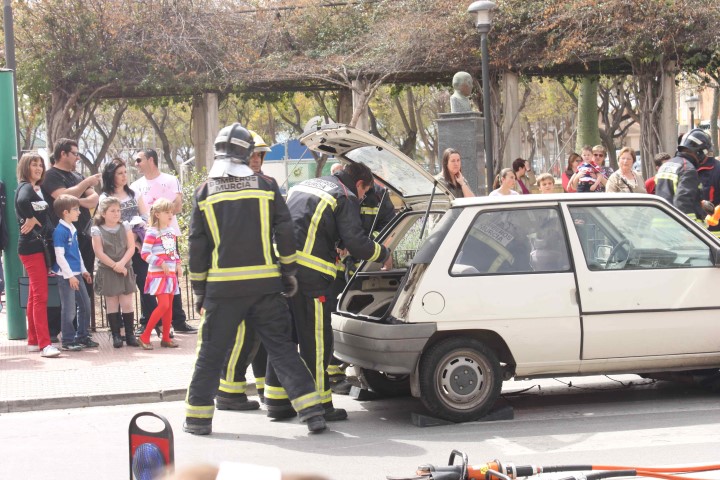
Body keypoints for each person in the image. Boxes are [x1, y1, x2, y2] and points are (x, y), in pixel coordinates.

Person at [185, 122, 326, 435]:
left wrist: (198, 290)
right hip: (265, 287)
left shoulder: (204, 192)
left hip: (222, 292)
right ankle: (312, 413)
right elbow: (285, 230)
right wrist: (288, 271)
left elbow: (197, 245)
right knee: (283, 349)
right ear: (247, 153)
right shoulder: (265, 186)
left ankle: (197, 419)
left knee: (211, 354)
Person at [263, 161, 392, 423]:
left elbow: (309, 224)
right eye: (364, 192)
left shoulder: (307, 184)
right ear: (359, 184)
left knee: (284, 337)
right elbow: (356, 242)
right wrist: (383, 253)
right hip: (310, 276)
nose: (363, 197)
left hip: (280, 269)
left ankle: (277, 401)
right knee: (317, 341)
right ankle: (320, 403)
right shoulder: (344, 195)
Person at [216, 129, 273, 411]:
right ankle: (229, 391)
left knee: (260, 336)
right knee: (243, 335)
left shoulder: (268, 183)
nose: (255, 159)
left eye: (259, 155)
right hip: (241, 276)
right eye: (251, 154)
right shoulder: (226, 184)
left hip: (262, 273)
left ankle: (263, 387)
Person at [131, 149, 195, 335]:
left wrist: (160, 215)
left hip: (169, 235)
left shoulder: (170, 180)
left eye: (139, 160)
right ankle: (148, 322)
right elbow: (138, 213)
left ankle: (178, 321)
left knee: (172, 281)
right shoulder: (136, 185)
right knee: (147, 281)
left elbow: (177, 205)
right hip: (147, 237)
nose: (136, 164)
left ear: (151, 160)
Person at [42, 138, 100, 340]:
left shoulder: (77, 175)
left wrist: (76, 200)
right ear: (63, 154)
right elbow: (61, 198)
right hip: (61, 238)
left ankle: (81, 331)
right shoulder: (50, 175)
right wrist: (84, 185)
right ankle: (57, 331)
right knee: (65, 286)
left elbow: (94, 198)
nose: (77, 157)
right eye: (75, 153)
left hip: (83, 236)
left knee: (85, 284)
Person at [15, 153, 60, 358]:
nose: (39, 168)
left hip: (36, 248)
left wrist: (33, 217)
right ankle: (44, 344)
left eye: (40, 165)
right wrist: (31, 218)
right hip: (31, 248)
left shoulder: (35, 188)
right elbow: (23, 202)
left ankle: (33, 340)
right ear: (26, 167)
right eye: (34, 165)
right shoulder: (25, 187)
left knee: (35, 296)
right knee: (41, 296)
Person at [101, 159, 150, 338]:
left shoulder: (134, 193)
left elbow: (145, 216)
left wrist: (135, 239)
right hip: (115, 251)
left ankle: (150, 322)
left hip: (136, 247)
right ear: (111, 176)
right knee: (115, 290)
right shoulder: (105, 198)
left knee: (144, 282)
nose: (124, 176)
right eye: (119, 173)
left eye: (125, 172)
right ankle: (117, 330)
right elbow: (104, 224)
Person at [91, 197, 139, 348]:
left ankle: (130, 334)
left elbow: (131, 247)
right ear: (103, 213)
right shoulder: (97, 230)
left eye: (118, 210)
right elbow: (99, 252)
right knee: (112, 303)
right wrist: (115, 266)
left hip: (125, 268)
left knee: (127, 303)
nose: (116, 213)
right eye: (112, 211)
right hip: (108, 271)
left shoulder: (125, 226)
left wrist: (122, 263)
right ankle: (116, 334)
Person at [52, 194, 97, 351]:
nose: (79, 212)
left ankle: (82, 336)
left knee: (85, 305)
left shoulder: (73, 228)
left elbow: (76, 252)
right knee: (69, 309)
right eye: (76, 209)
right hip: (66, 276)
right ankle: (67, 340)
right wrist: (70, 275)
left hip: (77, 274)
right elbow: (60, 255)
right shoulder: (60, 231)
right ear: (65, 212)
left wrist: (83, 271)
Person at [138, 198, 181, 350]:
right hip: (157, 275)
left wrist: (178, 264)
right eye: (166, 212)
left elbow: (173, 251)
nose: (170, 215)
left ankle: (166, 338)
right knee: (163, 305)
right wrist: (159, 262)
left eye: (171, 212)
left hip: (170, 275)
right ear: (157, 214)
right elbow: (144, 254)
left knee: (169, 307)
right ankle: (145, 336)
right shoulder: (152, 232)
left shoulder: (170, 231)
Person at [656, 128, 712, 224]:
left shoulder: (666, 166)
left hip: (661, 225)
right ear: (699, 152)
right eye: (706, 153)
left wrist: (698, 204)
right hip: (678, 230)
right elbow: (682, 203)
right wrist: (690, 230)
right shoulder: (687, 169)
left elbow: (668, 195)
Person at [696, 150, 720, 239]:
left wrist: (715, 214)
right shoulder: (686, 169)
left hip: (715, 235)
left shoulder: (717, 170)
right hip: (695, 233)